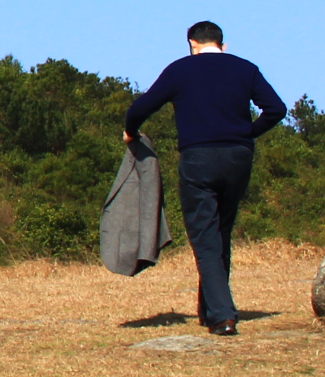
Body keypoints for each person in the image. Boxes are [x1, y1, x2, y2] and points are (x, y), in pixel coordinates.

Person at [122, 21, 286, 336]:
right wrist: (247, 134)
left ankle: (223, 316)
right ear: (221, 45)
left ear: (192, 43)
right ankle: (208, 309)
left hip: (199, 158)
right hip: (238, 157)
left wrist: (131, 132)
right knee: (220, 231)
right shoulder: (245, 68)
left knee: (205, 238)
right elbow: (276, 109)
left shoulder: (181, 70)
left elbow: (140, 107)